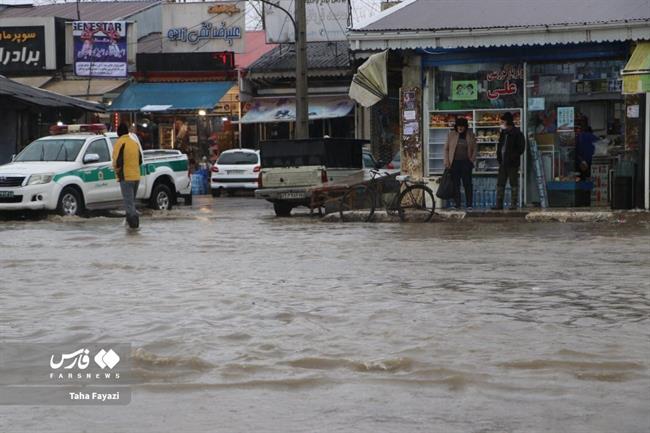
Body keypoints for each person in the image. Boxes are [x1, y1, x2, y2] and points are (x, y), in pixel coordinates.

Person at [112, 123, 143, 228]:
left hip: (126, 177)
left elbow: (116, 162)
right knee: (131, 203)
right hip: (136, 177)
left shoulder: (119, 143)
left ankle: (134, 227)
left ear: (118, 133)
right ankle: (129, 226)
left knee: (129, 205)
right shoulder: (134, 143)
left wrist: (117, 173)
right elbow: (140, 160)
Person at [493, 112, 525, 210]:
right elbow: (500, 146)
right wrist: (499, 157)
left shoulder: (517, 133)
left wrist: (513, 157)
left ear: (508, 122)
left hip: (512, 163)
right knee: (500, 183)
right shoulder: (503, 133)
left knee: (513, 183)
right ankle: (499, 204)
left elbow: (521, 148)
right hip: (502, 163)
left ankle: (513, 204)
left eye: (503, 121)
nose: (501, 123)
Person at [444, 117, 476, 209]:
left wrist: (471, 161)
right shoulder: (451, 135)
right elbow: (446, 149)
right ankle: (457, 204)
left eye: (462, 126)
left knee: (467, 184)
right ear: (456, 127)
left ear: (465, 127)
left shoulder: (470, 135)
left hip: (466, 163)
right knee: (455, 184)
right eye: (458, 126)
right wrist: (447, 162)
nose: (460, 128)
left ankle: (469, 204)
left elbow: (474, 149)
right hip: (454, 163)